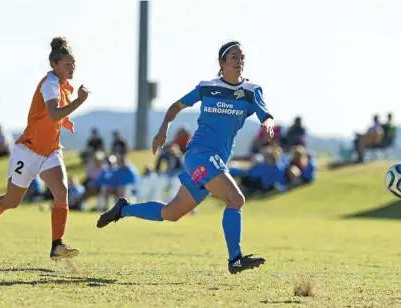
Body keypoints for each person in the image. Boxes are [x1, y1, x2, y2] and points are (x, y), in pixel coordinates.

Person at [97, 41, 274, 274]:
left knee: (172, 213)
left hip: (215, 161)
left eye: (242, 57)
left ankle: (123, 210)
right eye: (233, 57)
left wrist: (268, 122)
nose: (239, 61)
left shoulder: (251, 91)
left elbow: (265, 113)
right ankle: (235, 259)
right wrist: (163, 130)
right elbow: (175, 106)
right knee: (236, 199)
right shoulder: (206, 87)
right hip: (199, 154)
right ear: (221, 62)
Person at [0, 37, 90, 259]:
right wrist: (79, 102)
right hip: (29, 150)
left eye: (73, 64)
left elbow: (54, 116)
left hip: (51, 151)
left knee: (61, 192)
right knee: (11, 202)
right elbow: (53, 114)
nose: (72, 68)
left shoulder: (63, 86)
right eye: (67, 64)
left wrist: (66, 120)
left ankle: (57, 245)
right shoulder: (50, 83)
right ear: (55, 65)